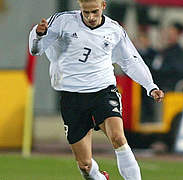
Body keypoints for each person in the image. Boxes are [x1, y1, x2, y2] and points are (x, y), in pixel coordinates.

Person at [29, 0, 164, 180]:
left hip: (103, 91)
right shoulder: (62, 21)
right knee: (85, 165)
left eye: (94, 11)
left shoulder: (114, 30)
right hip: (72, 96)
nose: (91, 17)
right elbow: (36, 50)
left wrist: (150, 86)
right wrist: (39, 35)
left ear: (103, 6)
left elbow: (130, 60)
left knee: (118, 138)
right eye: (86, 12)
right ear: (80, 8)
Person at [153, 22, 183, 92]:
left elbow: (179, 71)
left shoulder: (178, 53)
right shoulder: (161, 51)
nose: (168, 36)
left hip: (169, 89)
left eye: (171, 34)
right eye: (167, 34)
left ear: (178, 35)